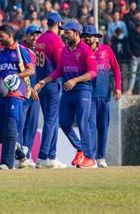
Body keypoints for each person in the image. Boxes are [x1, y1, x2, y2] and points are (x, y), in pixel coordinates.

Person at [34, 21, 98, 169]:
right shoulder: (65, 51)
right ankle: (81, 149)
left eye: (68, 32)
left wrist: (75, 80)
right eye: (64, 32)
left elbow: (93, 72)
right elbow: (59, 71)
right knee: (64, 123)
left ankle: (91, 158)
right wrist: (43, 81)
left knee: (83, 123)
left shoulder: (86, 50)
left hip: (82, 89)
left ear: (76, 33)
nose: (64, 34)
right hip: (68, 90)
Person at [0, 25, 35, 170]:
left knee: (10, 125)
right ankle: (20, 153)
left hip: (16, 93)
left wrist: (16, 76)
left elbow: (31, 69)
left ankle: (6, 163)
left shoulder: (21, 51)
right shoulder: (0, 53)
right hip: (2, 93)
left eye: (1, 36)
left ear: (10, 36)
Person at [81, 25, 122, 168]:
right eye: (84, 35)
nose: (86, 38)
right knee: (91, 126)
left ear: (96, 37)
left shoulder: (106, 50)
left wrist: (117, 87)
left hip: (104, 95)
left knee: (103, 126)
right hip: (88, 95)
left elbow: (116, 68)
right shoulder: (82, 51)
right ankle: (90, 157)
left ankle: (101, 157)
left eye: (89, 35)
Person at [33, 12, 66, 169]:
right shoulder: (56, 40)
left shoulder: (40, 39)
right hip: (52, 83)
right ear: (59, 24)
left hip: (41, 84)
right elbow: (61, 67)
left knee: (51, 121)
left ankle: (51, 156)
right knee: (51, 121)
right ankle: (43, 156)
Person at [21, 25, 42, 168]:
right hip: (24, 92)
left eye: (37, 35)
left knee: (32, 125)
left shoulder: (40, 51)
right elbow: (23, 71)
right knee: (21, 124)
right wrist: (30, 88)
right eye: (32, 35)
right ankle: (20, 156)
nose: (35, 38)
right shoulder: (21, 50)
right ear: (25, 37)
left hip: (36, 93)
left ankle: (27, 155)